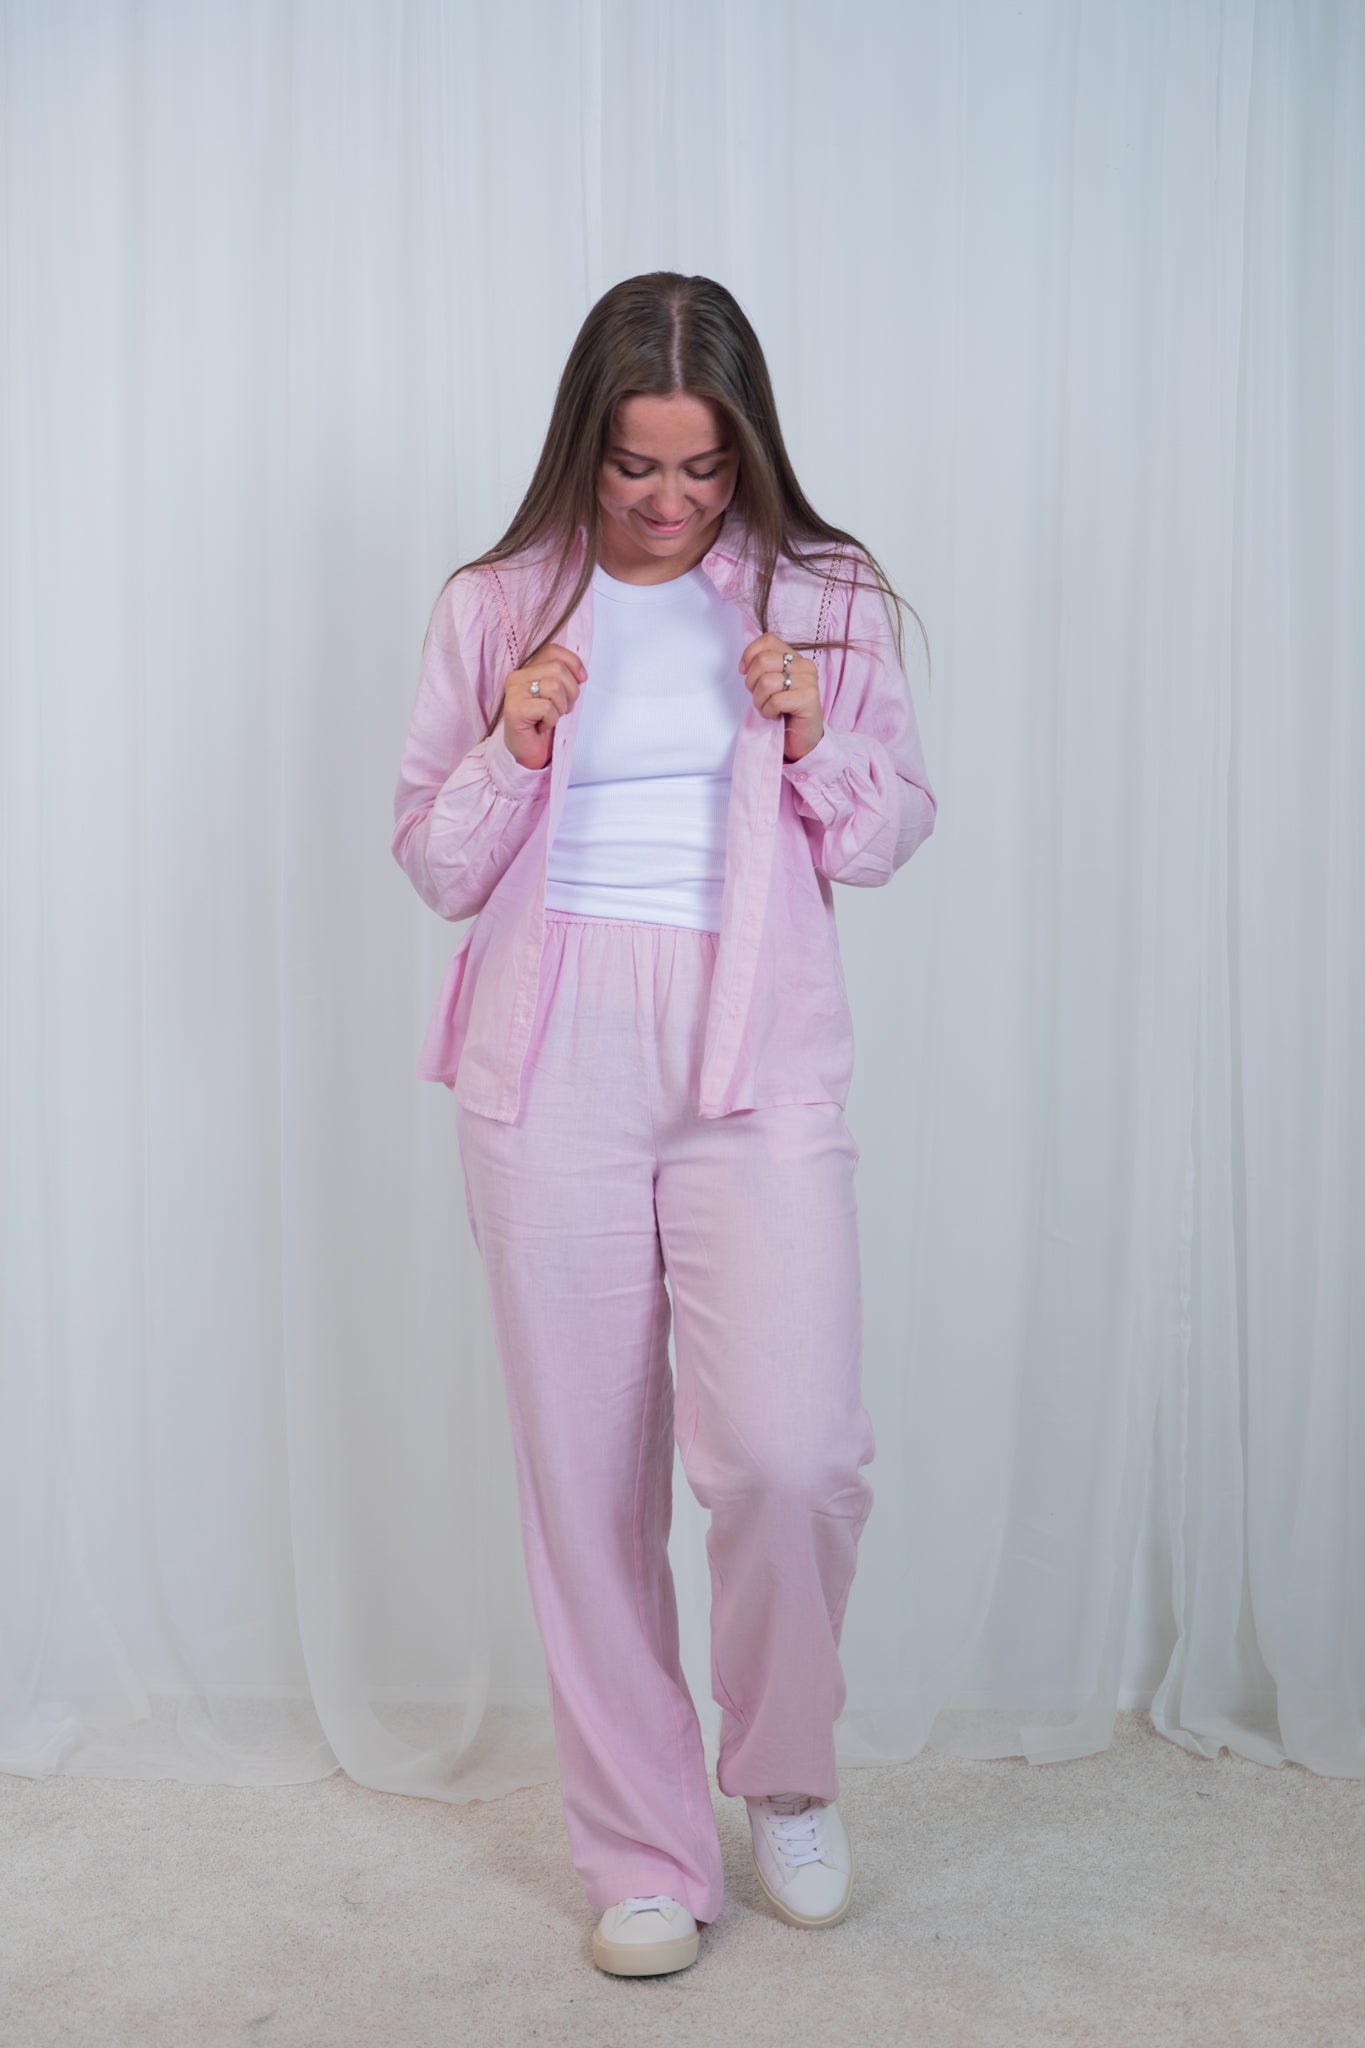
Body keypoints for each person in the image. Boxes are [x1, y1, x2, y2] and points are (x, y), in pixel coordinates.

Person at [391, 271, 936, 1977]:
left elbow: (883, 834)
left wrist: (811, 734)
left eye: (704, 467)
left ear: (747, 449)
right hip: (547, 1059)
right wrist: (509, 742)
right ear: (587, 442)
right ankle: (639, 1848)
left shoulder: (818, 594)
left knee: (792, 1456)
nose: (669, 499)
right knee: (584, 1483)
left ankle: (783, 1772)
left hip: (750, 1058)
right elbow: (433, 862)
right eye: (637, 465)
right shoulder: (500, 601)